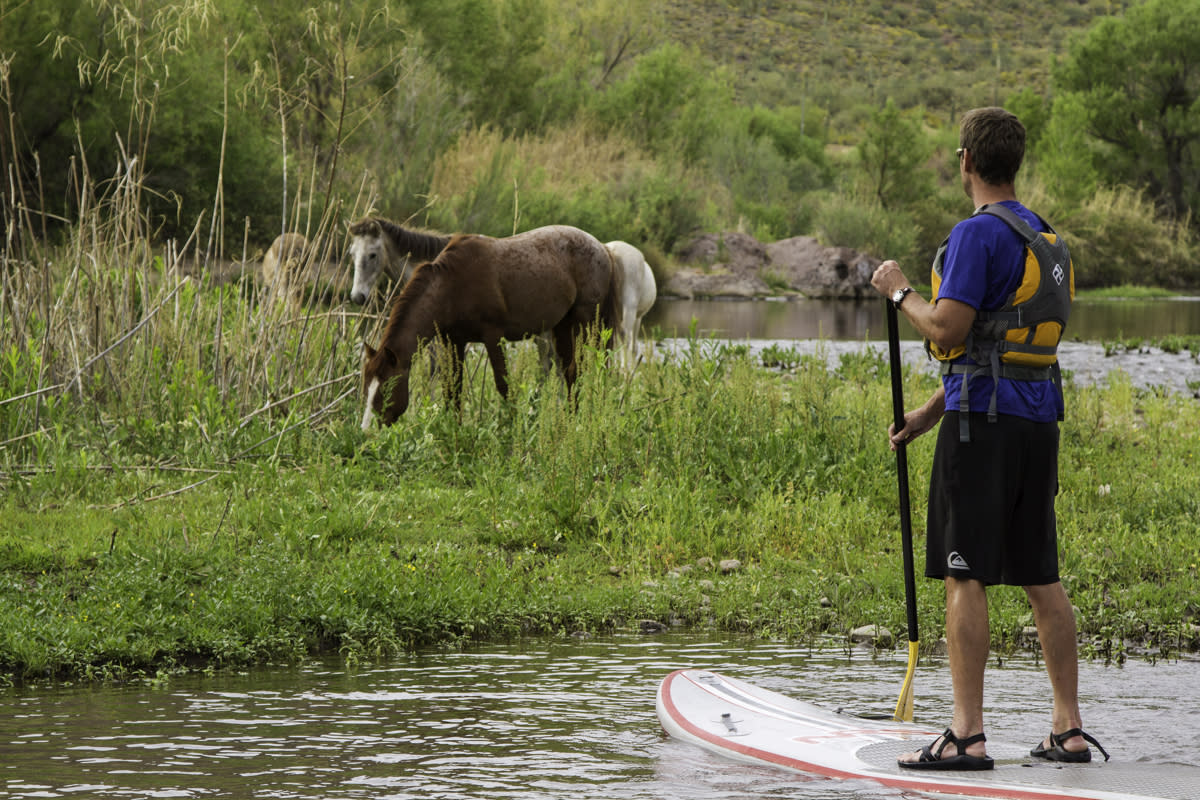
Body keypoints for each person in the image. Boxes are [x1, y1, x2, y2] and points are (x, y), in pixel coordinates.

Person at [870, 106, 1107, 771]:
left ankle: (966, 735)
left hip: (984, 430)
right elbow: (999, 345)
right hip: (1036, 423)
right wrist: (925, 414)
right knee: (1040, 574)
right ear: (1015, 163)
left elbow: (947, 330)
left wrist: (899, 292)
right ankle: (1068, 731)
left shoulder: (977, 235)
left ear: (966, 160)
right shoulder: (1045, 235)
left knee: (962, 570)